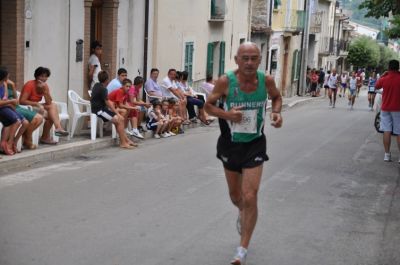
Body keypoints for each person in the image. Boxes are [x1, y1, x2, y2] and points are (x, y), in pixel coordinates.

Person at [204, 42, 283, 265]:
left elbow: (276, 97)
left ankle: (242, 248)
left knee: (251, 196)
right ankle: (243, 212)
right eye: (244, 58)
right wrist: (227, 115)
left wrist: (276, 113)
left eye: (253, 58)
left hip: (255, 144)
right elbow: (208, 107)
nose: (249, 62)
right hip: (230, 144)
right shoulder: (225, 81)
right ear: (237, 60)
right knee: (236, 197)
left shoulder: (266, 80)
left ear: (260, 60)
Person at [19, 66, 69, 145]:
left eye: (46, 76)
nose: (44, 78)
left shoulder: (44, 86)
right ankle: (46, 137)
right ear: (36, 76)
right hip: (27, 107)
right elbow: (21, 101)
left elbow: (49, 102)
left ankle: (58, 128)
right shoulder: (30, 84)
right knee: (51, 115)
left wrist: (45, 91)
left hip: (37, 107)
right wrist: (36, 104)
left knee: (52, 106)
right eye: (42, 76)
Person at [90, 70, 136, 149]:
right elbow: (108, 103)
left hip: (100, 109)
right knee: (119, 120)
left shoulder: (96, 85)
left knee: (119, 119)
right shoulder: (103, 89)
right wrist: (117, 113)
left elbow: (107, 101)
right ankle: (123, 143)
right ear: (107, 80)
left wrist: (116, 111)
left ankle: (126, 140)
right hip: (100, 111)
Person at [6, 77, 43, 150]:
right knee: (33, 119)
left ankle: (25, 138)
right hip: (7, 107)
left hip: (16, 106)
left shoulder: (9, 84)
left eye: (8, 77)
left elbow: (16, 99)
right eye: (6, 77)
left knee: (39, 118)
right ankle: (27, 140)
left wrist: (13, 85)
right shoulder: (2, 86)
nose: (8, 79)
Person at [374, 60, 400, 163]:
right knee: (399, 132)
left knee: (386, 131)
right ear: (398, 67)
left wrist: (383, 75)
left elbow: (376, 86)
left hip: (385, 109)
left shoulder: (385, 78)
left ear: (388, 67)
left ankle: (387, 155)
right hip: (398, 109)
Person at [0, 67, 28, 155]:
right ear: (3, 76)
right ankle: (8, 144)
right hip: (2, 108)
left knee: (26, 122)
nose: (9, 76)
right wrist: (10, 102)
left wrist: (9, 103)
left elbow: (5, 98)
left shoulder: (4, 84)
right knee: (17, 121)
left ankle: (14, 142)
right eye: (7, 75)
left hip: (5, 106)